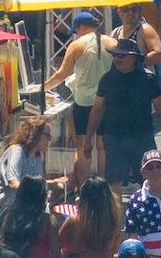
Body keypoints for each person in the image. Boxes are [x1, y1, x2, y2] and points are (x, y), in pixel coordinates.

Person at [88, 38, 161, 190]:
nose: (117, 59)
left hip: (142, 138)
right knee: (114, 182)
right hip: (114, 138)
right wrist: (88, 139)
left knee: (149, 181)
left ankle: (151, 211)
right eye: (115, 55)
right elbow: (97, 110)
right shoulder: (107, 79)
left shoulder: (148, 79)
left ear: (133, 58)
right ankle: (117, 214)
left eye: (121, 56)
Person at [42, 11, 113, 181]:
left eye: (76, 30)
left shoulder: (76, 45)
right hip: (108, 101)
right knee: (104, 147)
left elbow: (61, 74)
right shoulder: (113, 42)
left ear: (81, 27)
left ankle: (82, 190)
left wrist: (42, 88)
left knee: (82, 146)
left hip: (84, 102)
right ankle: (106, 188)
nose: (76, 33)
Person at [0, 116, 54, 205]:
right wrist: (33, 194)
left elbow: (36, 185)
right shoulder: (16, 151)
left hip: (27, 205)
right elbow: (13, 183)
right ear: (35, 134)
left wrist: (53, 183)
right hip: (9, 206)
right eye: (47, 136)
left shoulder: (37, 158)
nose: (49, 140)